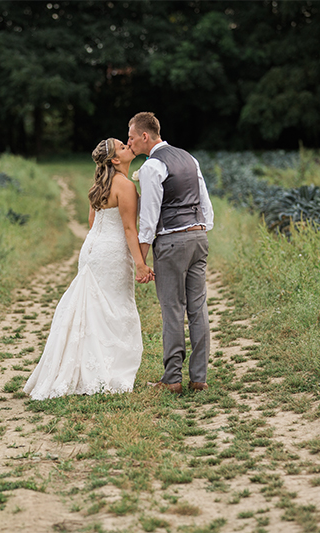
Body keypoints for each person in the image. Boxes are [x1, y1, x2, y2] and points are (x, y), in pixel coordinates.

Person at [23, 138, 152, 400]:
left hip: (92, 249)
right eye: (123, 147)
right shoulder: (125, 186)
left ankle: (83, 368)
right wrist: (140, 263)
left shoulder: (98, 185)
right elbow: (129, 229)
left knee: (94, 308)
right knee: (115, 308)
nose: (129, 147)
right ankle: (108, 369)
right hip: (112, 253)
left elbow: (92, 222)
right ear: (115, 160)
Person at [127, 112, 214, 394]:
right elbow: (204, 201)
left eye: (131, 136)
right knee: (198, 308)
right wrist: (200, 229)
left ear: (145, 136)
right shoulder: (189, 157)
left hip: (172, 241)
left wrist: (139, 260)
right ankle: (199, 378)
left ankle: (172, 379)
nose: (129, 142)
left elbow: (149, 219)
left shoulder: (153, 166)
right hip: (199, 236)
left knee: (173, 310)